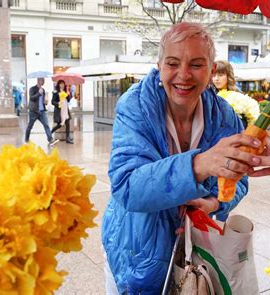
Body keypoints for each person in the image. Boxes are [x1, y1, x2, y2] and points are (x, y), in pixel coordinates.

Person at [101, 22, 260, 293]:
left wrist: (215, 203)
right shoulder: (135, 106)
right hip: (138, 248)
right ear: (160, 65)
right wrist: (199, 164)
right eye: (173, 63)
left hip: (198, 250)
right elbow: (127, 186)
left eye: (197, 65)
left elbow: (239, 179)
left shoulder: (223, 114)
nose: (183, 75)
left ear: (211, 70)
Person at [212, 60, 260, 128]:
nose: (216, 79)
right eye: (213, 75)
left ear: (228, 76)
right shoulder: (209, 95)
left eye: (220, 75)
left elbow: (250, 120)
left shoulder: (239, 97)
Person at [25, 78, 57, 145]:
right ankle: (26, 139)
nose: (43, 81)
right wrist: (39, 93)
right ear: (38, 80)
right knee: (30, 126)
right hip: (34, 111)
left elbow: (42, 101)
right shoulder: (32, 89)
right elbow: (32, 98)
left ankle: (50, 139)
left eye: (43, 80)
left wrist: (45, 102)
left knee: (46, 125)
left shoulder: (43, 90)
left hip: (42, 111)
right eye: (42, 80)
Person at [51, 80, 73, 144]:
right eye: (60, 84)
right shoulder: (55, 92)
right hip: (59, 111)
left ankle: (67, 138)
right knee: (60, 125)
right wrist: (58, 103)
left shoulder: (65, 91)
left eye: (63, 84)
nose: (62, 85)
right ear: (58, 85)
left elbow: (68, 100)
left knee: (67, 123)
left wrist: (69, 95)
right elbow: (52, 102)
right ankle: (50, 132)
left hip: (65, 109)